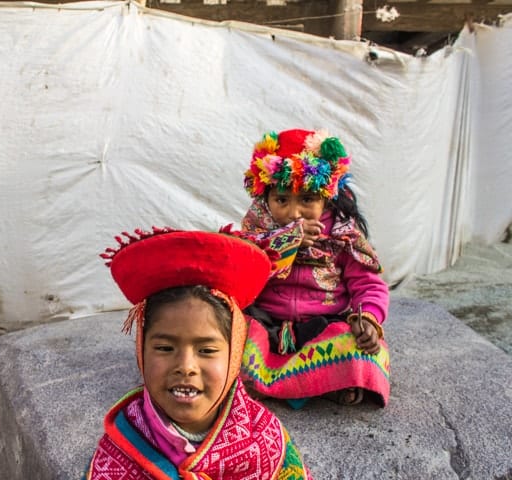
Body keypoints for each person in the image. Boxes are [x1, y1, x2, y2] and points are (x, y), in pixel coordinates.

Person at [87, 227, 313, 479]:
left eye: (206, 350)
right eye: (164, 348)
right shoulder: (121, 451)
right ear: (141, 351)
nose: (186, 366)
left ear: (235, 353)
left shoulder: (265, 442)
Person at [239, 128, 390, 409]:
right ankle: (318, 384)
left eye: (307, 199)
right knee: (230, 337)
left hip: (323, 326)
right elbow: (241, 275)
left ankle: (267, 384)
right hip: (266, 324)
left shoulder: (343, 233)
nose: (294, 213)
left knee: (362, 349)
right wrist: (283, 245)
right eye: (282, 200)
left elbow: (368, 284)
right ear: (266, 198)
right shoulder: (257, 227)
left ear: (327, 198)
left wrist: (367, 319)